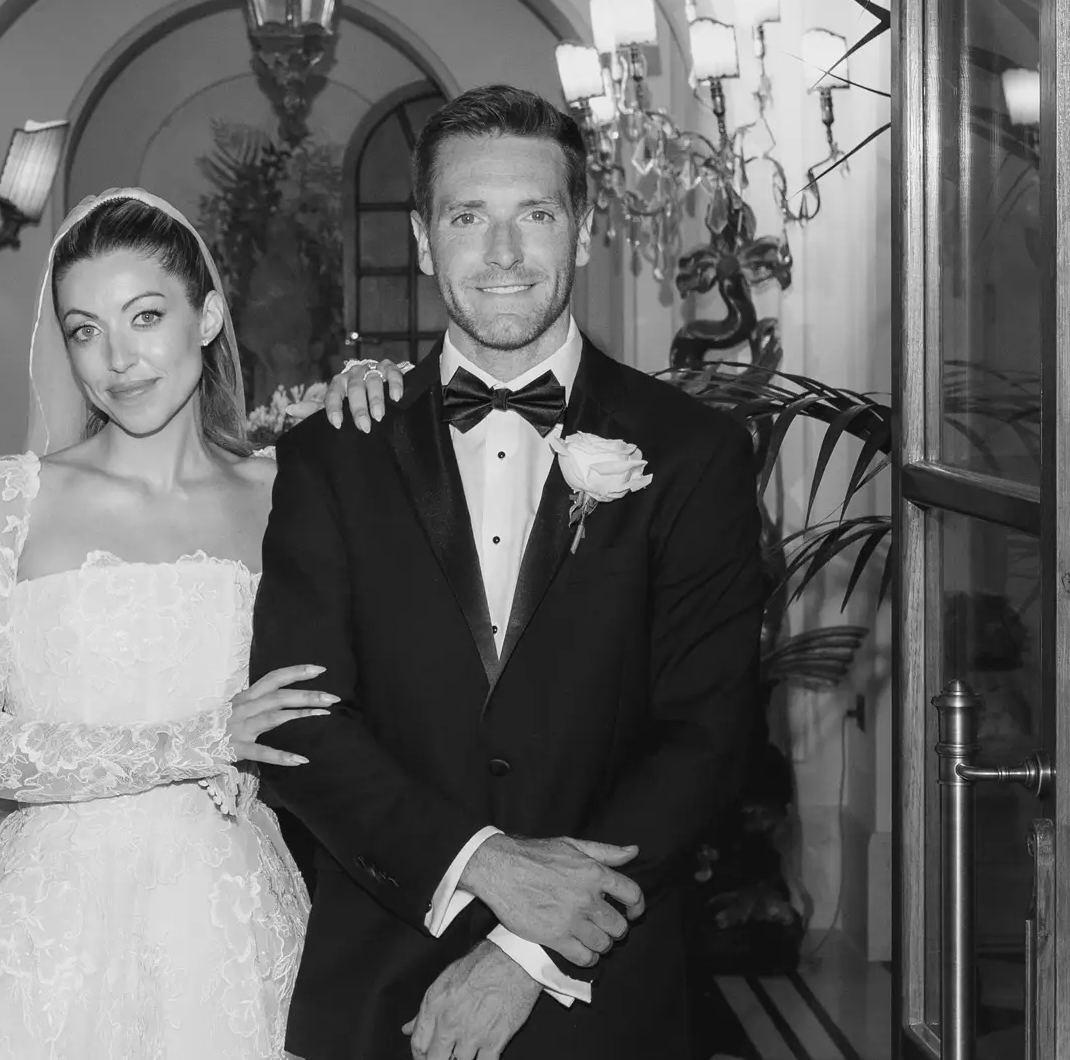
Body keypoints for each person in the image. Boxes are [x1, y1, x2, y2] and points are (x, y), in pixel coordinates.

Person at [250, 85, 769, 1060]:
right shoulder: (329, 452)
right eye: (465, 217)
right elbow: (301, 723)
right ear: (419, 238)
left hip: (604, 983)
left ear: (580, 233)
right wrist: (478, 862)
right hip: (378, 976)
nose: (499, 253)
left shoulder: (694, 451)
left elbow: (706, 736)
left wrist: (527, 949)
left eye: (533, 214)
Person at [0, 190, 333, 1059]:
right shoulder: (11, 498)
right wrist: (194, 742)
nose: (117, 359)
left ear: (206, 318)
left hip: (227, 919)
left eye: (145, 316)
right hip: (45, 932)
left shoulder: (290, 495)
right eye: (85, 329)